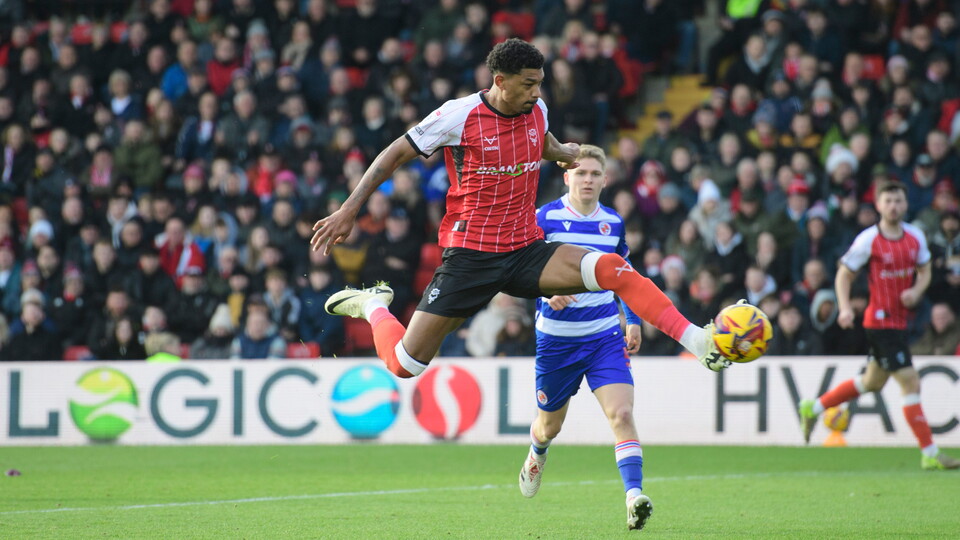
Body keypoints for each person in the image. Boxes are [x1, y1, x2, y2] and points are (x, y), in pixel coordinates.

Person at [313, 39, 726, 380]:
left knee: (614, 269)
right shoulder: (460, 115)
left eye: (540, 83)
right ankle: (373, 306)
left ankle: (698, 340)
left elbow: (541, 140)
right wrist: (349, 209)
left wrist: (562, 151)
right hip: (471, 254)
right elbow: (393, 155)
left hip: (526, 248)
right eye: (528, 84)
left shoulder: (537, 109)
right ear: (500, 81)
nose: (536, 92)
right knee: (405, 365)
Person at [514, 144, 650, 530]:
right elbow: (517, 269)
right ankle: (537, 453)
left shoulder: (614, 223)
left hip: (604, 335)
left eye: (594, 174)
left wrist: (633, 318)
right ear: (566, 177)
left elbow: (625, 275)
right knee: (549, 427)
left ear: (605, 179)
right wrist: (544, 289)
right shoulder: (544, 218)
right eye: (581, 173)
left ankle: (633, 497)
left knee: (621, 414)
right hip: (557, 341)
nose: (587, 180)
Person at [798, 181, 959, 470]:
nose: (894, 206)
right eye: (888, 201)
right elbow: (843, 275)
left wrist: (917, 291)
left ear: (905, 205)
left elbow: (925, 270)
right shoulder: (868, 240)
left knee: (872, 382)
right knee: (910, 380)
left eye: (898, 200)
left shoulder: (915, 237)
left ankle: (814, 406)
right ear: (878, 205)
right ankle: (930, 453)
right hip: (880, 321)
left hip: (899, 321)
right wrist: (845, 308)